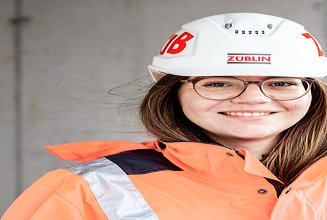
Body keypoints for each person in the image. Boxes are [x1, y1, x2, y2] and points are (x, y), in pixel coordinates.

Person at [2, 12, 327, 220]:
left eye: (281, 82)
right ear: (173, 91)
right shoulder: (88, 190)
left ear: (312, 92)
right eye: (218, 83)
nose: (253, 98)